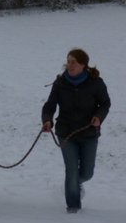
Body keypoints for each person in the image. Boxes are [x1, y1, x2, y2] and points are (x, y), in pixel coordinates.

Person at [41, 48, 111, 213]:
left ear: (83, 65)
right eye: (68, 61)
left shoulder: (95, 83)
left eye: (74, 62)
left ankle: (73, 184)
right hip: (66, 133)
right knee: (71, 170)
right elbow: (50, 105)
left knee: (87, 173)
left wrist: (98, 117)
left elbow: (105, 103)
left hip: (89, 133)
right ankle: (73, 208)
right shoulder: (60, 83)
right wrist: (47, 120)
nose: (70, 65)